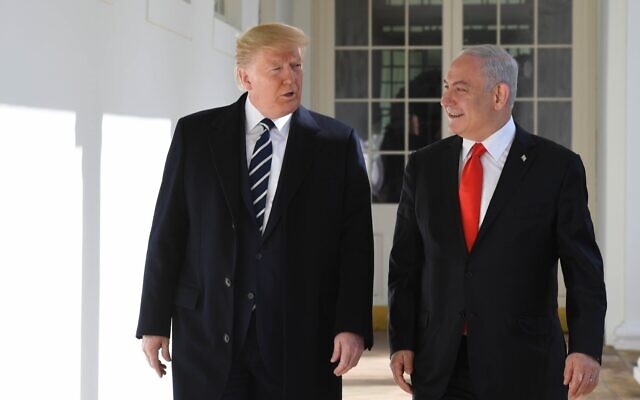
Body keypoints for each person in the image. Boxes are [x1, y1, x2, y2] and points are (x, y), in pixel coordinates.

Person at [136, 22, 374, 400]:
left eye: (295, 66)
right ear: (244, 76)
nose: (290, 78)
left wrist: (352, 325)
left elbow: (355, 245)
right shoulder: (195, 136)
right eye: (276, 69)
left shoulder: (336, 143)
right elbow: (168, 232)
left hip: (302, 341)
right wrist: (153, 322)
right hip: (208, 335)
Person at [387, 45, 606, 400]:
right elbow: (405, 265)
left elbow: (584, 270)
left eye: (460, 88)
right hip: (439, 364)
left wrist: (585, 348)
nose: (445, 99)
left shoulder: (557, 168)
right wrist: (402, 341)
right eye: (446, 86)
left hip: (524, 365)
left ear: (499, 94)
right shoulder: (424, 166)